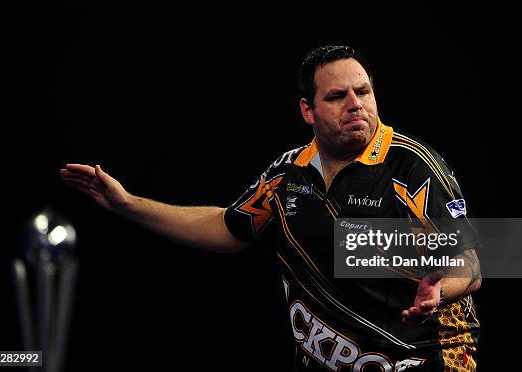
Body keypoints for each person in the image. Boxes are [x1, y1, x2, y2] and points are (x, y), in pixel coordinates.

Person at [61, 45, 481, 371]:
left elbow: (471, 262)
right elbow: (226, 227)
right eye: (337, 96)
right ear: (307, 110)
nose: (355, 103)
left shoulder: (411, 167)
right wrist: (129, 205)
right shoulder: (287, 175)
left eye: (364, 91)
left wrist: (438, 290)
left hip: (425, 359)